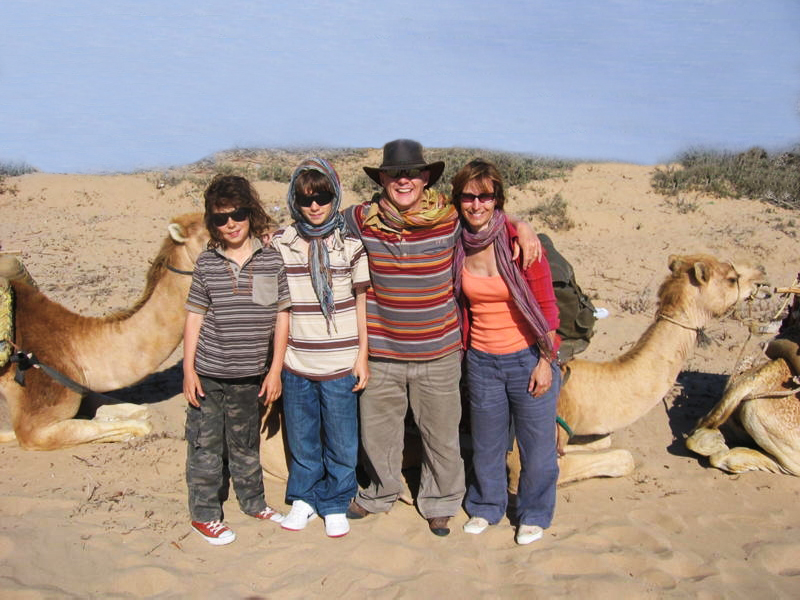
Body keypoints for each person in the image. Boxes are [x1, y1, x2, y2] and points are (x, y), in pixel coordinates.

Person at [343, 140, 541, 537]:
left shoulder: (449, 217)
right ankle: (381, 492)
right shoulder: (361, 220)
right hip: (382, 351)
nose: (404, 180)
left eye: (412, 173)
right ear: (382, 179)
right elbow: (320, 219)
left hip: (440, 350)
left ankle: (441, 501)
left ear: (425, 178)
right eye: (395, 173)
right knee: (377, 433)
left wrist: (524, 225)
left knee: (441, 434)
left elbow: (488, 216)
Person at [452, 159, 561, 545]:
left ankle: (533, 512)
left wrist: (546, 361)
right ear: (458, 199)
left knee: (537, 446)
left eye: (485, 196)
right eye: (469, 196)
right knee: (486, 443)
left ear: (497, 199)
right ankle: (486, 505)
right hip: (481, 360)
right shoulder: (456, 241)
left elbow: (547, 309)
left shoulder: (518, 244)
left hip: (527, 358)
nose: (477, 204)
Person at [183, 174, 290, 546]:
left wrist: (275, 369)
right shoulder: (207, 263)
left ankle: (253, 502)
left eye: (237, 214)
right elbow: (195, 315)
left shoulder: (271, 261)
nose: (230, 224)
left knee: (245, 444)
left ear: (251, 213)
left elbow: (281, 316)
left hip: (251, 376)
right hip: (209, 374)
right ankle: (205, 514)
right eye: (220, 218)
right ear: (211, 221)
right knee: (206, 446)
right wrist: (187, 370)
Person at [271, 158, 370, 538]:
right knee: (303, 436)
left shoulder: (350, 246)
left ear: (335, 196)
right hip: (297, 361)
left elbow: (362, 302)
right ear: (295, 201)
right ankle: (305, 498)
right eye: (305, 198)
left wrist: (363, 355)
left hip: (341, 361)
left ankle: (337, 499)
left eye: (323, 197)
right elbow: (275, 301)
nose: (315, 206)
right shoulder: (282, 243)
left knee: (343, 439)